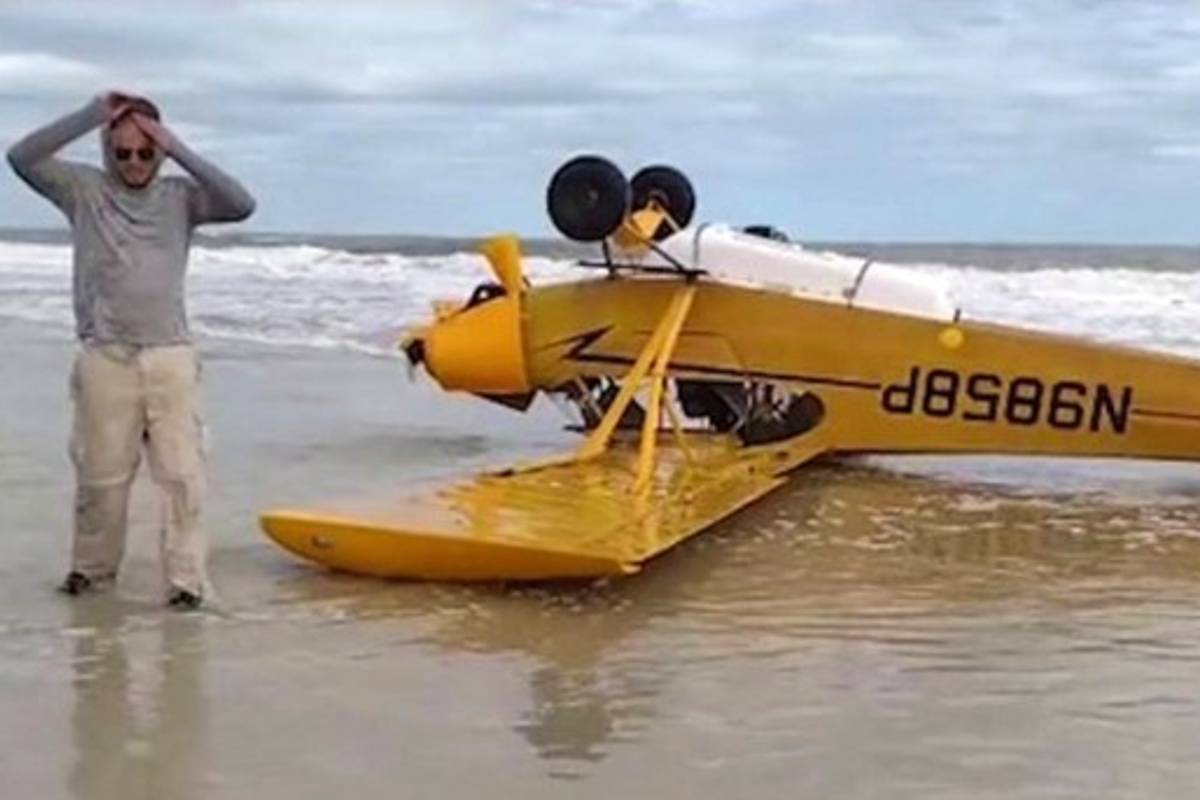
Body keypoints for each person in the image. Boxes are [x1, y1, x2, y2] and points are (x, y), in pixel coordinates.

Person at [6, 91, 256, 609]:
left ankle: (186, 584)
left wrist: (176, 146)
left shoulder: (182, 197)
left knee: (183, 479)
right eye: (122, 153)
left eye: (146, 153)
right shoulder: (82, 190)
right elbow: (21, 157)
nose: (135, 164)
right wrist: (94, 112)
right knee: (101, 479)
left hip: (170, 357)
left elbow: (241, 203)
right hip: (106, 357)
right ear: (106, 151)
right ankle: (92, 574)